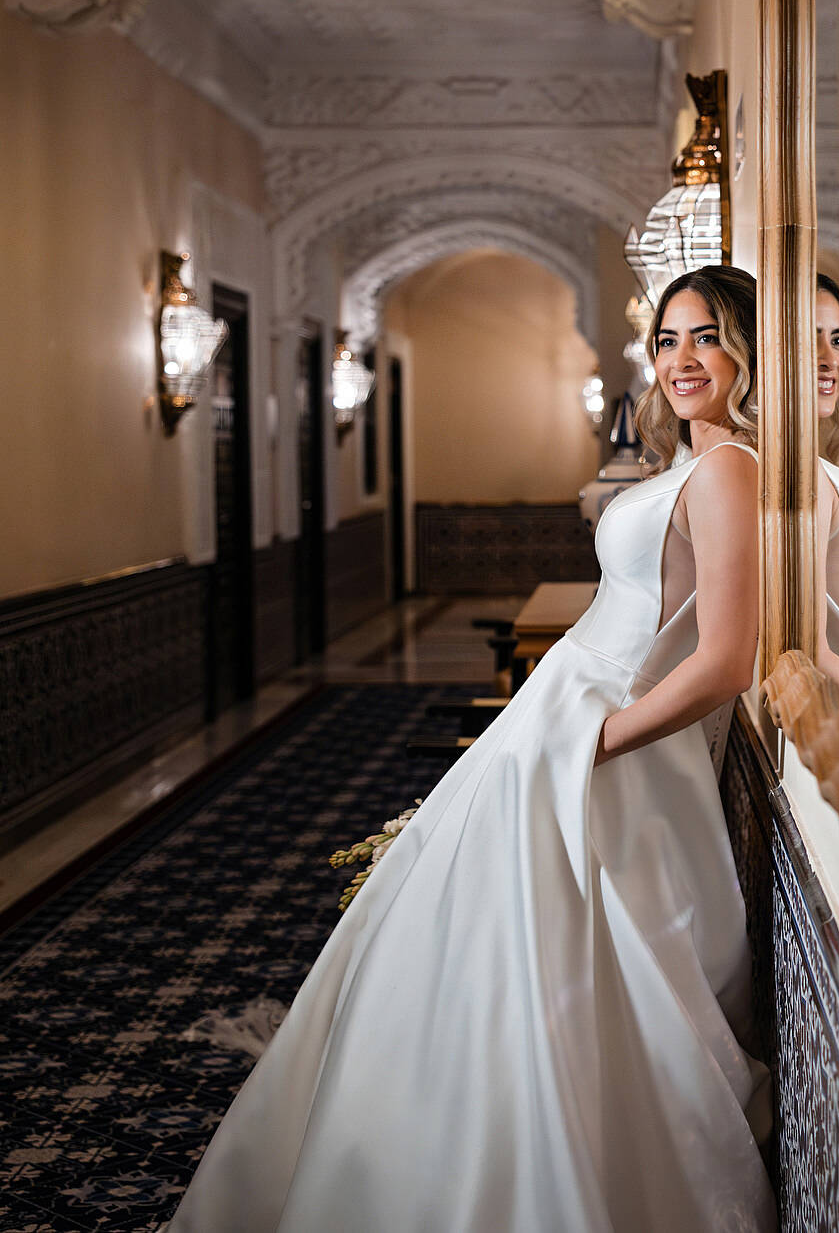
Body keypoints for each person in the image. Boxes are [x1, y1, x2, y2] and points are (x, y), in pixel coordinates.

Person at [170, 266, 778, 1233]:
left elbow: (727, 659)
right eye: (666, 341)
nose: (681, 360)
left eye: (706, 337)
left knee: (588, 975)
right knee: (487, 958)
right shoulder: (685, 465)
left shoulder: (730, 468)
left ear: (749, 349)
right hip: (559, 727)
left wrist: (591, 745)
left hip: (604, 750)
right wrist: (550, 735)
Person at [813, 273, 839, 681]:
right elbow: (814, 648)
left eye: (837, 340)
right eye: (812, 338)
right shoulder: (807, 478)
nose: (828, 358)